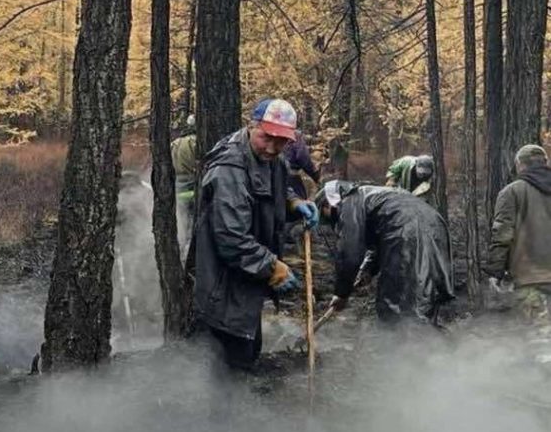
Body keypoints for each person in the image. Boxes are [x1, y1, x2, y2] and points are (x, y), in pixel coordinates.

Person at [193, 98, 318, 370]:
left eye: (281, 141)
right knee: (228, 366)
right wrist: (272, 267)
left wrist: (294, 203)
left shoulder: (272, 160)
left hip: (248, 281)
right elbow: (231, 238)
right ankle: (226, 411)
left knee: (249, 351)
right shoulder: (229, 168)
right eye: (266, 137)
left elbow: (275, 188)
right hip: (224, 286)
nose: (273, 148)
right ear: (252, 126)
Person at [316, 180, 454, 325]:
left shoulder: (349, 204)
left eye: (324, 214)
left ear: (328, 204)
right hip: (435, 225)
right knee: (424, 292)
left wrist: (341, 293)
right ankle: (430, 342)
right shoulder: (373, 195)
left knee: (396, 300)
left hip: (406, 231)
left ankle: (405, 342)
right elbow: (379, 241)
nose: (328, 221)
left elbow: (350, 254)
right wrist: (367, 270)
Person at [486, 145, 551, 324]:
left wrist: (495, 272)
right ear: (545, 163)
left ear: (520, 165)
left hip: (529, 278)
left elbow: (502, 234)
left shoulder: (512, 192)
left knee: (538, 340)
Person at [170, 114, 198, 261]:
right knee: (192, 230)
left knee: (181, 227)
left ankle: (180, 257)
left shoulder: (174, 144)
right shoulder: (197, 143)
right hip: (194, 190)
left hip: (178, 191)